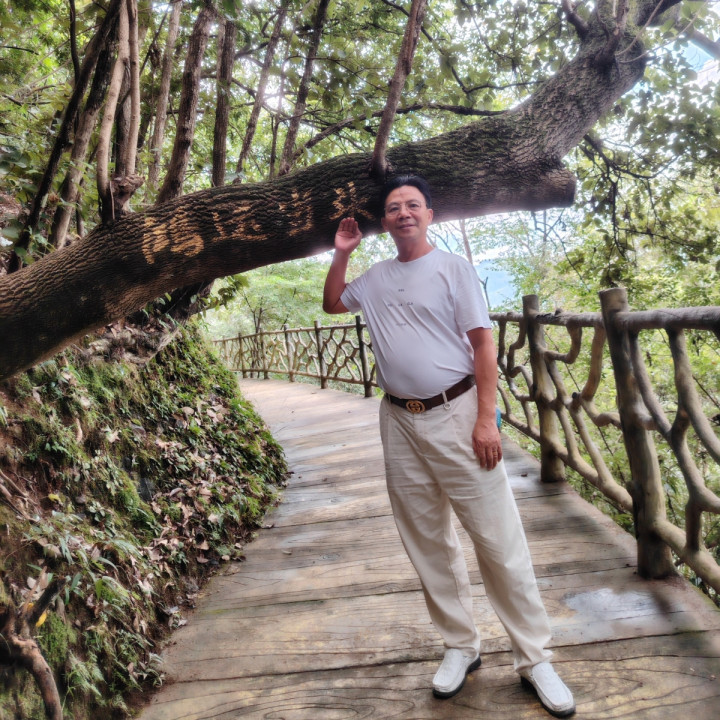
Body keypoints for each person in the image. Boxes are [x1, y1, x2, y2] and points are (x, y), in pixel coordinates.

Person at [322, 175, 575, 717]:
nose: (404, 212)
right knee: (427, 540)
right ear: (385, 221)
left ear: (430, 215)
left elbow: (483, 346)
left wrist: (486, 419)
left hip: (458, 414)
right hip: (398, 419)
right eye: (394, 207)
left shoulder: (453, 269)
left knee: (498, 540)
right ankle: (461, 645)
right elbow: (334, 303)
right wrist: (342, 252)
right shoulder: (376, 277)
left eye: (413, 204)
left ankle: (535, 658)